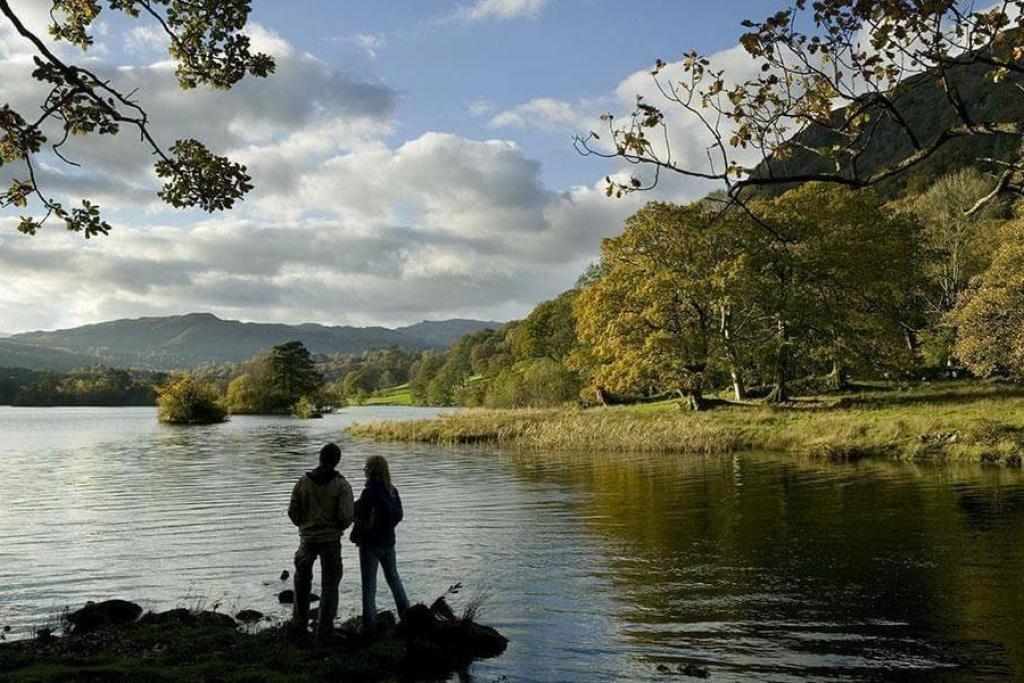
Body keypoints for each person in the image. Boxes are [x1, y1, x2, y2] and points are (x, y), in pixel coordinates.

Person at [287, 442, 354, 641]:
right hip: (331, 540)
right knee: (330, 584)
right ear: (337, 461)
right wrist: (337, 528)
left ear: (320, 457)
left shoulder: (303, 482)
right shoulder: (342, 485)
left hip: (307, 539)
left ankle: (299, 623)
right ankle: (324, 629)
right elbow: (345, 516)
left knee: (301, 581)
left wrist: (304, 525)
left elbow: (292, 512)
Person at [353, 455, 410, 636]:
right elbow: (399, 515)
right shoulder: (392, 490)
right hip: (389, 542)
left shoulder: (369, 491)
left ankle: (369, 628)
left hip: (370, 545)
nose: (364, 470)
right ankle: (407, 617)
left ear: (371, 470)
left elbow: (358, 513)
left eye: (366, 467)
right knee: (394, 579)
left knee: (369, 587)